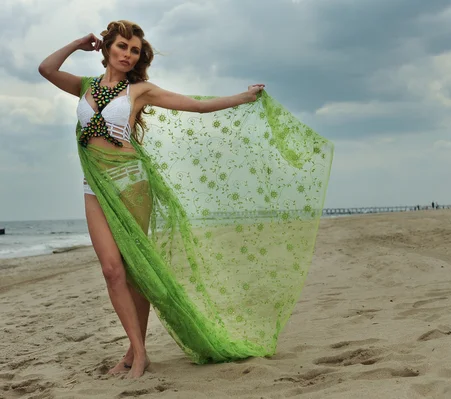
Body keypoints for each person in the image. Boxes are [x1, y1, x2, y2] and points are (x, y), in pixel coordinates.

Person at [38, 21, 333, 379]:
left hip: (130, 182)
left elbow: (196, 106)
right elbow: (46, 69)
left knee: (134, 270)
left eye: (134, 50)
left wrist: (243, 96)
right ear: (106, 49)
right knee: (111, 270)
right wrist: (77, 43)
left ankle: (137, 353)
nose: (128, 55)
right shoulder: (85, 86)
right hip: (93, 185)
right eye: (122, 48)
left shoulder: (141, 90)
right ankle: (136, 351)